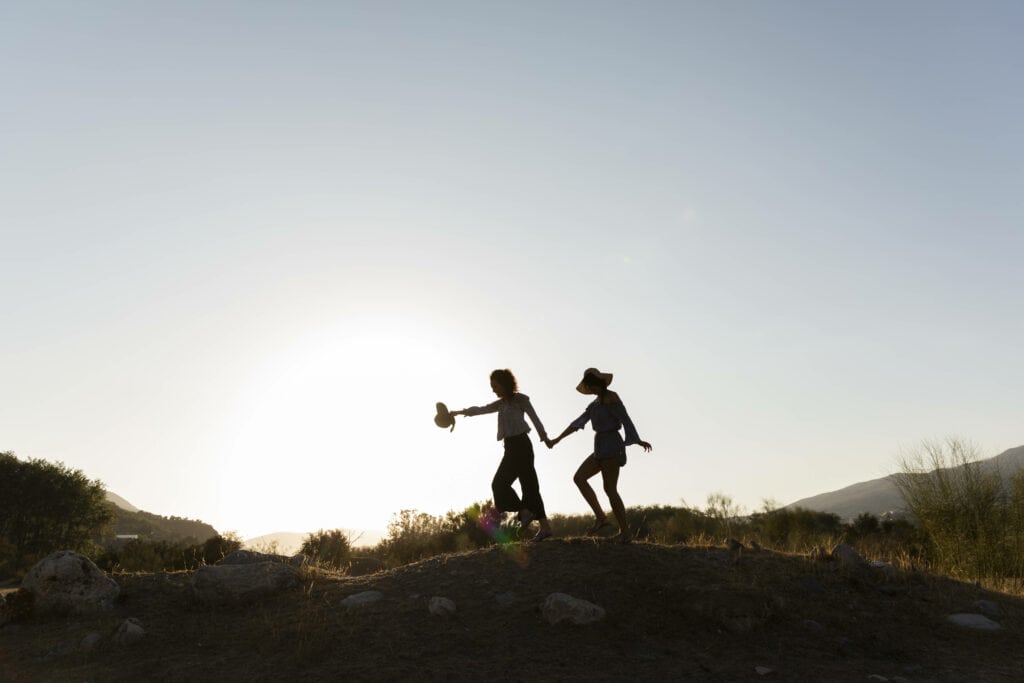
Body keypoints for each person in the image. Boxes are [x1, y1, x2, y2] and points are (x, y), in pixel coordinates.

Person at [549, 367, 652, 543]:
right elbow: (578, 423)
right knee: (579, 478)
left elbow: (626, 418)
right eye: (589, 387)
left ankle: (625, 532)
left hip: (613, 444)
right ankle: (601, 517)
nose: (592, 389)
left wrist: (636, 439)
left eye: (593, 386)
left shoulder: (612, 397)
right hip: (599, 446)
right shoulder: (594, 404)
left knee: (610, 489)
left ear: (599, 384)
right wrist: (558, 439)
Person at [449, 369, 554, 541]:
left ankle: (543, 526)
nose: (493, 390)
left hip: (522, 444)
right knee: (499, 484)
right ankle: (526, 513)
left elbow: (535, 418)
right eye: (492, 387)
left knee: (529, 486)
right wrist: (459, 412)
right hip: (510, 447)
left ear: (505, 384)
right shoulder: (500, 404)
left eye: (495, 386)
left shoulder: (521, 399)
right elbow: (480, 410)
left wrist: (545, 437)